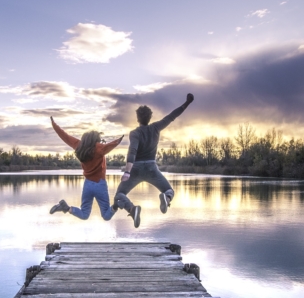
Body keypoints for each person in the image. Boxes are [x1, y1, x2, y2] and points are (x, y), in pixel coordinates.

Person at [114, 93, 194, 228]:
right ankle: (166, 199)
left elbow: (132, 150)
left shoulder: (135, 133)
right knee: (169, 190)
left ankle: (132, 209)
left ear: (137, 118)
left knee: (119, 195)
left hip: (136, 169)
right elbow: (172, 116)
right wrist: (187, 103)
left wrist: (127, 172)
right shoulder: (156, 127)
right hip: (152, 168)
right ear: (150, 118)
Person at [48, 117, 124, 221]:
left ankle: (66, 208)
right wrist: (118, 141)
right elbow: (109, 146)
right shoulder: (99, 148)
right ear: (96, 139)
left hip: (87, 185)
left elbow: (65, 137)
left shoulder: (79, 146)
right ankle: (117, 205)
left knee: (84, 214)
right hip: (100, 184)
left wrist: (54, 124)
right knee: (106, 216)